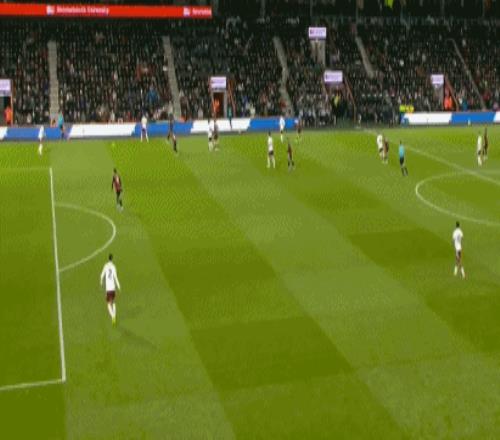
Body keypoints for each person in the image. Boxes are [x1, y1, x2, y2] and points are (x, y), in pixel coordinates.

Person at [100, 254, 121, 325]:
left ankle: (112, 316)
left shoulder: (105, 266)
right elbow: (115, 277)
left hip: (108, 288)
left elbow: (102, 275)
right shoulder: (113, 266)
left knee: (108, 304)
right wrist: (118, 285)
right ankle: (114, 315)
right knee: (114, 302)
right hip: (113, 287)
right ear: (112, 259)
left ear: (108, 259)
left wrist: (101, 282)